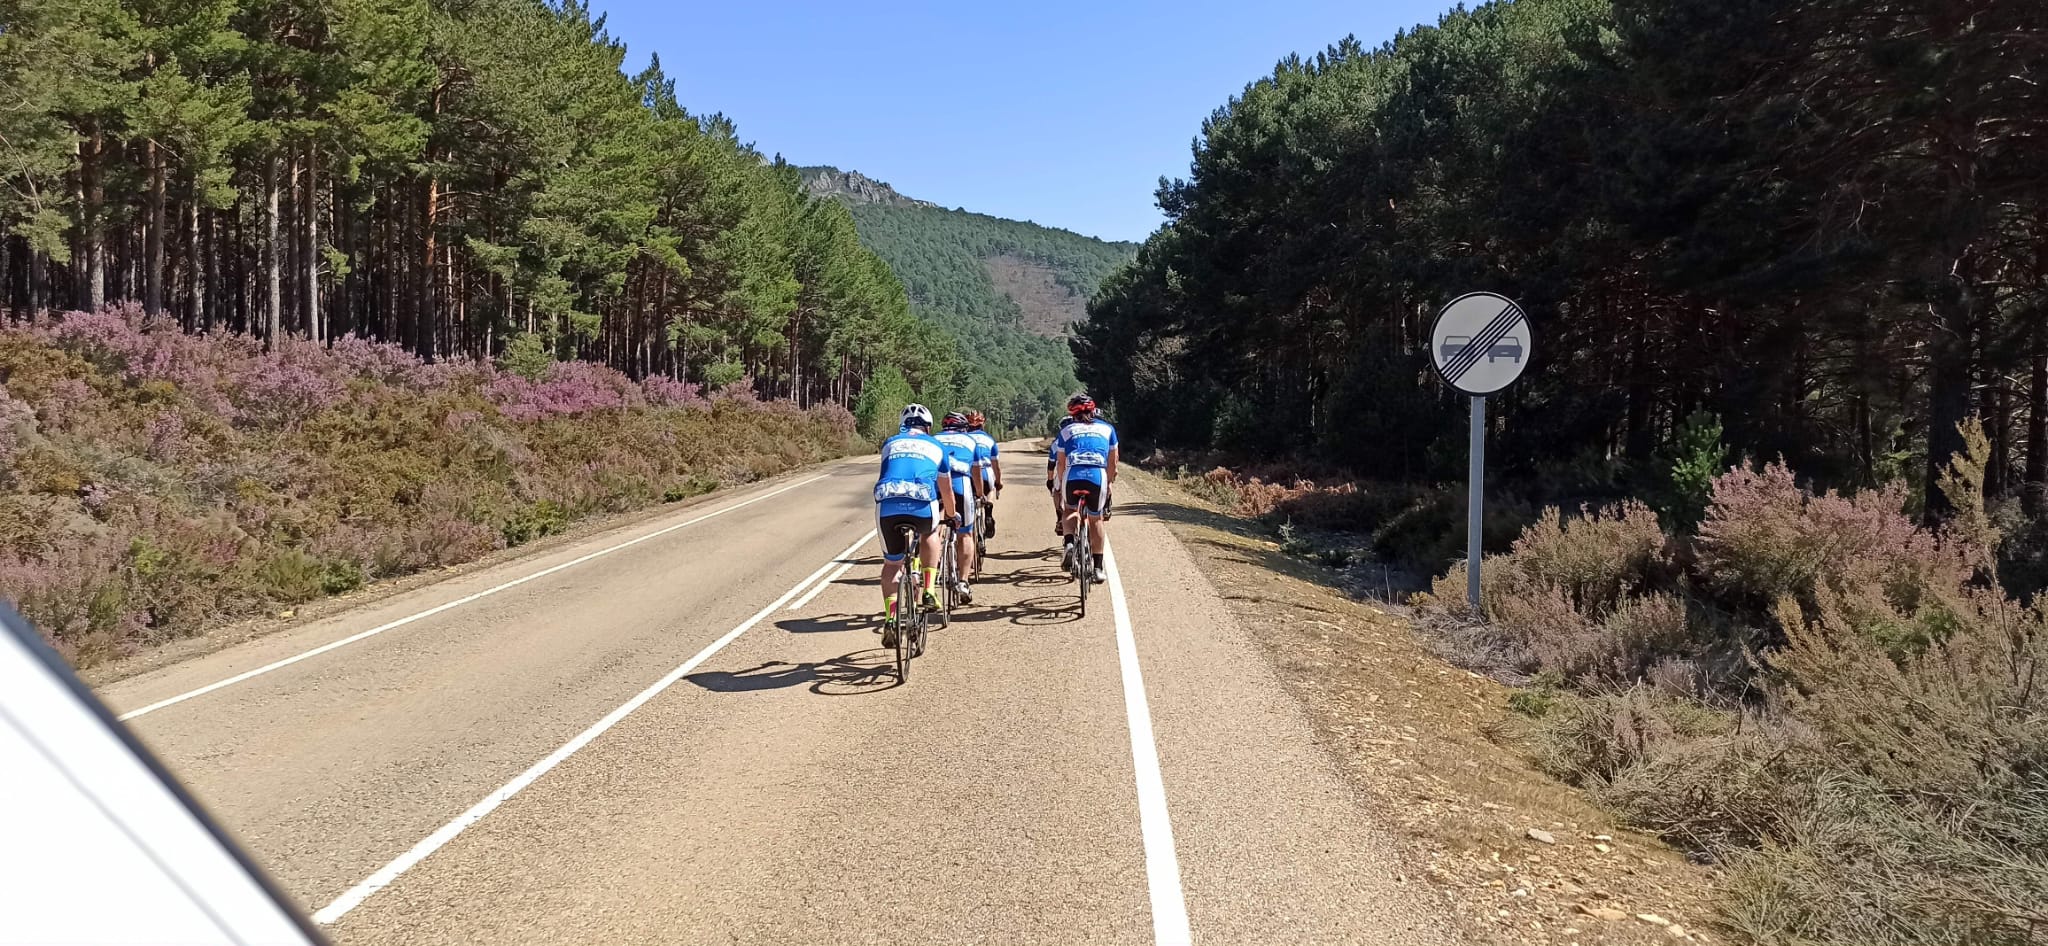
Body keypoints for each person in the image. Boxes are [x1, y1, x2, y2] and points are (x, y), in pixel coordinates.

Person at [875, 404, 961, 648]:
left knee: (892, 564)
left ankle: (891, 618)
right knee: (930, 533)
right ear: (928, 427)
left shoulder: (890, 443)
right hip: (922, 504)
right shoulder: (937, 447)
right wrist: (953, 516)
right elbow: (946, 491)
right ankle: (929, 589)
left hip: (888, 504)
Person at [1052, 393, 1118, 583]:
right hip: (1097, 475)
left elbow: (1061, 464)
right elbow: (1113, 461)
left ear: (1072, 414)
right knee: (1096, 519)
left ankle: (1070, 543)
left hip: (1073, 474)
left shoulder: (1066, 431)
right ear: (1093, 411)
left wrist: (1062, 483)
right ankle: (1098, 568)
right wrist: (1110, 480)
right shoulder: (1107, 429)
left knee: (1069, 510)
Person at [932, 411, 987, 602]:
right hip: (961, 485)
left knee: (933, 529)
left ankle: (934, 562)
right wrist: (980, 493)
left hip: (937, 485)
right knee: (965, 533)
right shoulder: (970, 441)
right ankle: (963, 581)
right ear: (964, 427)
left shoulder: (933, 439)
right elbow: (977, 472)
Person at [964, 410, 1002, 543]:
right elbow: (996, 466)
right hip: (986, 472)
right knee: (990, 489)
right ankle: (989, 510)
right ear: (982, 424)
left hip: (969, 473)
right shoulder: (989, 440)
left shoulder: (965, 439)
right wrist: (998, 482)